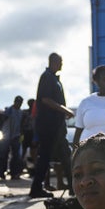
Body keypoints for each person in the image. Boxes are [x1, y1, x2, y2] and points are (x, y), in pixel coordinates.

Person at [29, 52, 74, 198]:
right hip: (49, 125)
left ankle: (73, 188)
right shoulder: (47, 77)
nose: (62, 64)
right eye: (60, 61)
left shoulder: (54, 78)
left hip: (56, 125)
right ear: (53, 62)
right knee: (49, 156)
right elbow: (45, 99)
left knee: (64, 155)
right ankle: (36, 188)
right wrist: (64, 110)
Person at [72, 65, 105, 147]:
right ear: (96, 82)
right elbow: (78, 131)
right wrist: (74, 155)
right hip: (86, 153)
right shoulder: (85, 102)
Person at [3, 95, 25, 179]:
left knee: (16, 155)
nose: (19, 104)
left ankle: (14, 172)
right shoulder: (9, 110)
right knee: (5, 154)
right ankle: (3, 171)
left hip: (16, 135)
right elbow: (3, 119)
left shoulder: (21, 112)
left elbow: (21, 124)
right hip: (7, 135)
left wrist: (21, 134)